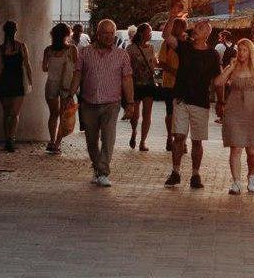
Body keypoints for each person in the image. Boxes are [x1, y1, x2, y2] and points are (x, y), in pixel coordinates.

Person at [161, 5, 222, 189]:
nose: (196, 28)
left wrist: (221, 101)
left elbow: (217, 80)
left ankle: (195, 174)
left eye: (201, 27)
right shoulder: (185, 46)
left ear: (207, 35)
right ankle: (176, 171)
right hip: (181, 99)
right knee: (179, 136)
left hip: (201, 102)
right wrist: (172, 17)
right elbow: (166, 36)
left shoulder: (212, 55)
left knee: (197, 140)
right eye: (196, 26)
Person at [71, 18, 135, 187]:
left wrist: (130, 103)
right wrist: (70, 95)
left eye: (111, 33)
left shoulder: (122, 55)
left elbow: (127, 79)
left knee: (108, 138)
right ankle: (96, 167)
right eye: (104, 33)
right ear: (97, 34)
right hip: (88, 103)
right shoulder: (84, 52)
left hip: (111, 104)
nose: (108, 37)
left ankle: (104, 172)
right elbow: (77, 74)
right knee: (91, 140)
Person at [217, 37, 254, 194]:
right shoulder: (233, 67)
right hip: (234, 110)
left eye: (245, 50)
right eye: (239, 50)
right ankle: (236, 182)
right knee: (235, 148)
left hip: (252, 111)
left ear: (250, 52)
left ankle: (251, 176)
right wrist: (229, 69)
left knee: (251, 150)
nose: (241, 53)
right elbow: (218, 83)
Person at [0, 21, 33, 153]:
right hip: (17, 83)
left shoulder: (0, 49)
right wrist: (31, 81)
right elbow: (27, 65)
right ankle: (12, 139)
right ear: (15, 31)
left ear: (4, 31)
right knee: (15, 114)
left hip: (3, 83)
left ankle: (7, 139)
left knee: (6, 114)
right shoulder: (21, 47)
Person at [42, 22, 78, 154]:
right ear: (67, 34)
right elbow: (76, 68)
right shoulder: (72, 49)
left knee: (53, 114)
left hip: (51, 83)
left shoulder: (48, 50)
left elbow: (44, 68)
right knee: (64, 115)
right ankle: (57, 143)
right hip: (66, 86)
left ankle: (51, 141)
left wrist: (54, 67)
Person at [126, 22, 158, 151]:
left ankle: (143, 141)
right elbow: (126, 67)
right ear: (141, 33)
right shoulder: (130, 49)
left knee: (147, 114)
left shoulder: (151, 48)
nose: (150, 34)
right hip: (135, 84)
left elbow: (154, 64)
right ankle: (134, 131)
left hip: (149, 83)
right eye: (148, 32)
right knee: (135, 114)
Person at [157, 16, 186, 151]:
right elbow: (161, 63)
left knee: (183, 113)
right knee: (170, 112)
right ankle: (170, 138)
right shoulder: (167, 44)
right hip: (169, 83)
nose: (174, 29)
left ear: (183, 29)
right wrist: (175, 71)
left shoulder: (188, 43)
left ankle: (182, 141)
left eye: (177, 26)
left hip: (184, 84)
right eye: (173, 26)